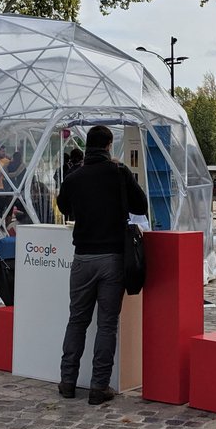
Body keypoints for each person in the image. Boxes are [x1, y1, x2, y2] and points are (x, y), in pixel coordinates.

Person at [55, 125, 147, 406]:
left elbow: (63, 206)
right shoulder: (118, 173)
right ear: (109, 146)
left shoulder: (75, 176)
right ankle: (98, 387)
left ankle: (67, 381)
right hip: (112, 258)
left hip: (82, 258)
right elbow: (141, 205)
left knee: (77, 320)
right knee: (107, 325)